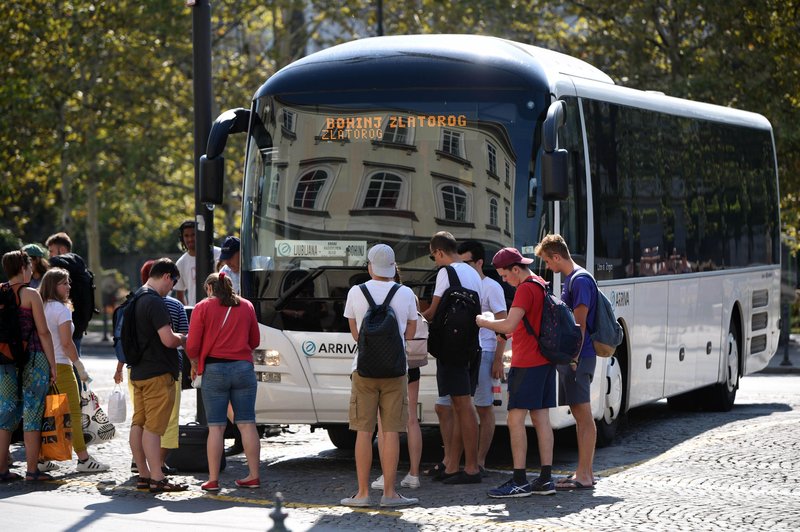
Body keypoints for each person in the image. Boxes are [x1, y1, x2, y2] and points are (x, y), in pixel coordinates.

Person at [341, 244, 419, 508]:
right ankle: (389, 493)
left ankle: (362, 494)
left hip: (363, 369)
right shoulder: (406, 293)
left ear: (370, 266)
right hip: (396, 371)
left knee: (363, 431)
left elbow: (355, 333)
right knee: (391, 432)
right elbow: (409, 333)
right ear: (394, 268)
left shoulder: (356, 291)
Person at [476, 247, 557, 497]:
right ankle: (545, 479)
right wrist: (509, 332)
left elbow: (510, 322)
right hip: (545, 361)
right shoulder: (541, 284)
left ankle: (520, 480)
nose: (504, 280)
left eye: (504, 274)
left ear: (515, 269)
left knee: (515, 419)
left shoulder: (524, 288)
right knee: (541, 419)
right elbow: (526, 323)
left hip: (527, 362)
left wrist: (484, 322)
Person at [186, 272, 261, 491]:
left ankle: (213, 479)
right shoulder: (247, 306)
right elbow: (254, 340)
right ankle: (254, 475)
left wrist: (193, 361)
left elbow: (191, 347)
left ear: (210, 288)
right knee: (247, 424)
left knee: (216, 428)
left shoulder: (203, 307)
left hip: (215, 370)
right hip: (243, 369)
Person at [535, 234, 597, 491]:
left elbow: (579, 326)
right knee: (581, 415)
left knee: (583, 416)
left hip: (580, 358)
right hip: (579, 357)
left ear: (557, 256)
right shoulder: (575, 278)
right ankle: (585, 472)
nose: (548, 266)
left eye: (548, 261)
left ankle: (585, 475)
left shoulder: (579, 281)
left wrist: (573, 358)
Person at [421, 231, 483, 485]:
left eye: (433, 256)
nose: (435, 261)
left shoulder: (446, 272)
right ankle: (453, 465)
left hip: (452, 347)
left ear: (439, 252)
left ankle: (470, 468)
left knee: (463, 407)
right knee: (460, 406)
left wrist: (414, 314)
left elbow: (434, 312)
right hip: (470, 345)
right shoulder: (473, 273)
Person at [39, 268, 110, 473]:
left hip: (43, 365)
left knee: (46, 412)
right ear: (54, 286)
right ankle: (84, 459)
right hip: (61, 365)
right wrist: (79, 367)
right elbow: (67, 343)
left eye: (69, 282)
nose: (69, 287)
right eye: (64, 283)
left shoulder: (41, 306)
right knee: (74, 413)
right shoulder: (61, 310)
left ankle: (42, 458)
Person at [128, 258, 188, 493]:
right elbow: (168, 339)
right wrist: (182, 338)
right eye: (172, 283)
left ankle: (143, 475)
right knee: (154, 428)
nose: (171, 288)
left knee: (139, 424)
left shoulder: (135, 298)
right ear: (166, 277)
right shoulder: (155, 302)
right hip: (157, 372)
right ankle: (157, 477)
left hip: (139, 371)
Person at [0, 250, 57, 482]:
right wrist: (52, 365)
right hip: (34, 359)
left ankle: (2, 469)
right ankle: (32, 470)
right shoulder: (31, 294)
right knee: (32, 411)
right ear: (24, 267)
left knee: (6, 414)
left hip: (4, 361)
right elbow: (43, 332)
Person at [371, 267, 422, 492]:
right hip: (411, 361)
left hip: (389, 363)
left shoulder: (378, 296)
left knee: (385, 424)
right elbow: (414, 328)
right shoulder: (409, 295)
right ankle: (414, 474)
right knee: (411, 419)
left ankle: (386, 475)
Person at [458, 240, 507, 473]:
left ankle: (480, 460)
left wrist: (499, 358)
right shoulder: (461, 283)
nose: (463, 266)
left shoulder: (491, 286)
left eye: (466, 262)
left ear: (479, 262)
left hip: (486, 352)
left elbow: (504, 324)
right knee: (462, 406)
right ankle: (463, 460)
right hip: (466, 352)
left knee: (484, 408)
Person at [45, 232, 95, 355]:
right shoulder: (78, 267)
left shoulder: (67, 264)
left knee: (70, 366)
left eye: (51, 251)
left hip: (68, 324)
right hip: (77, 325)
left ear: (62, 249)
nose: (49, 255)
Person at [174, 220, 221, 306]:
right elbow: (180, 295)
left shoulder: (219, 254)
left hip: (221, 309)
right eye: (186, 236)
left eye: (193, 235)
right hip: (197, 312)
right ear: (182, 238)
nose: (190, 239)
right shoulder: (181, 263)